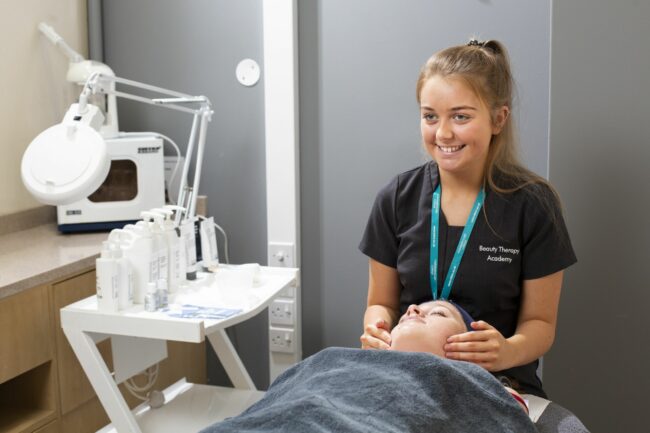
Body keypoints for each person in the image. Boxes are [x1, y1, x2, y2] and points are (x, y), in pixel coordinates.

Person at [359, 38, 577, 398]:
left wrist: (507, 351)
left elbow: (540, 324)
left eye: (460, 116)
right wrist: (377, 328)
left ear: (498, 119)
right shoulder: (396, 199)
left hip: (498, 385)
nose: (443, 133)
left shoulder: (534, 206)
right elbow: (379, 302)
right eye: (430, 116)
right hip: (403, 377)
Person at [200, 301, 537, 433]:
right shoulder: (334, 360)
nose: (413, 309)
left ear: (467, 351)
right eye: (410, 310)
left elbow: (504, 413)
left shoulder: (470, 385)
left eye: (438, 314)